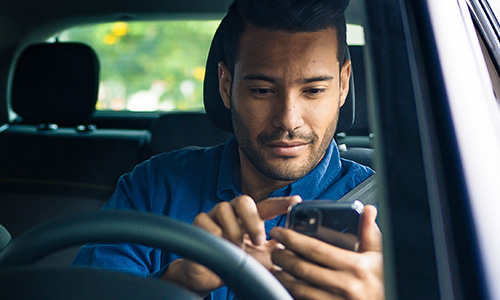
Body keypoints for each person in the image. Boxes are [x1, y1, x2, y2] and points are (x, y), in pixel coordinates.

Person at [72, 0, 384, 299]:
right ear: (225, 86)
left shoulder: (388, 210)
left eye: (313, 90)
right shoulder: (154, 188)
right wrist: (180, 283)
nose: (288, 119)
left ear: (343, 84)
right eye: (262, 91)